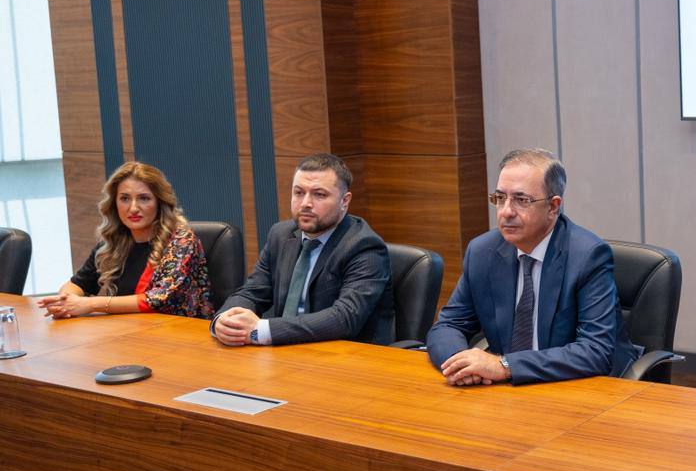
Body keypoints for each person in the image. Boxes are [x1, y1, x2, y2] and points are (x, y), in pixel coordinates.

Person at [427, 148, 638, 385]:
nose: (506, 211)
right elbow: (448, 326)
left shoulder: (587, 256)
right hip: (509, 388)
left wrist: (505, 366)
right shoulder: (482, 252)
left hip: (581, 386)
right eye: (500, 198)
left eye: (521, 200)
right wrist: (462, 365)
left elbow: (595, 351)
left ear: (553, 206)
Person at [212, 153, 394, 346]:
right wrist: (225, 320)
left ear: (345, 201)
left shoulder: (364, 246)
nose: (306, 203)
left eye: (319, 194)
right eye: (299, 193)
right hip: (286, 348)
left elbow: (345, 317)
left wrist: (260, 330)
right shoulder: (281, 235)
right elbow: (252, 291)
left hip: (346, 355)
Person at [38, 162, 213, 319]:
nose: (133, 208)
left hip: (177, 335)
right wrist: (64, 302)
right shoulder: (112, 242)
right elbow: (78, 284)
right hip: (128, 332)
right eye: (124, 198)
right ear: (114, 204)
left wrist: (90, 304)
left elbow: (158, 299)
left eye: (144, 198)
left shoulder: (181, 241)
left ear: (160, 202)